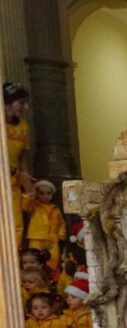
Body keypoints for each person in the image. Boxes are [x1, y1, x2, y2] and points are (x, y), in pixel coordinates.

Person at [5, 82, 33, 246]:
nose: (26, 107)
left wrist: (26, 178)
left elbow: (23, 154)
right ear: (8, 101)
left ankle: (13, 266)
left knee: (16, 226)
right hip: (5, 178)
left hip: (14, 183)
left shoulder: (23, 126)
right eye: (21, 102)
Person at [22, 179, 65, 268]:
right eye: (41, 193)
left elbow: (61, 223)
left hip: (52, 239)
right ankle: (35, 275)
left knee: (54, 259)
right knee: (34, 258)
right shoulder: (34, 205)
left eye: (49, 194)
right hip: (36, 238)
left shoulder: (55, 209)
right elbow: (25, 206)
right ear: (37, 194)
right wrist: (30, 195)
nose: (45, 196)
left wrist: (61, 234)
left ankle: (52, 278)